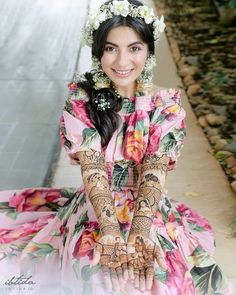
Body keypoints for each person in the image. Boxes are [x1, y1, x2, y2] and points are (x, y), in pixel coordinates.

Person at [0, 0, 234, 294]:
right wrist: (109, 231)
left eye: (134, 48)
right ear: (98, 52)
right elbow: (94, 170)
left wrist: (139, 231)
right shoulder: (81, 102)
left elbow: (154, 171)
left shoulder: (166, 104)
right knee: (92, 274)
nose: (122, 61)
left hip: (148, 209)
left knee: (163, 279)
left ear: (148, 50)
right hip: (97, 207)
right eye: (111, 48)